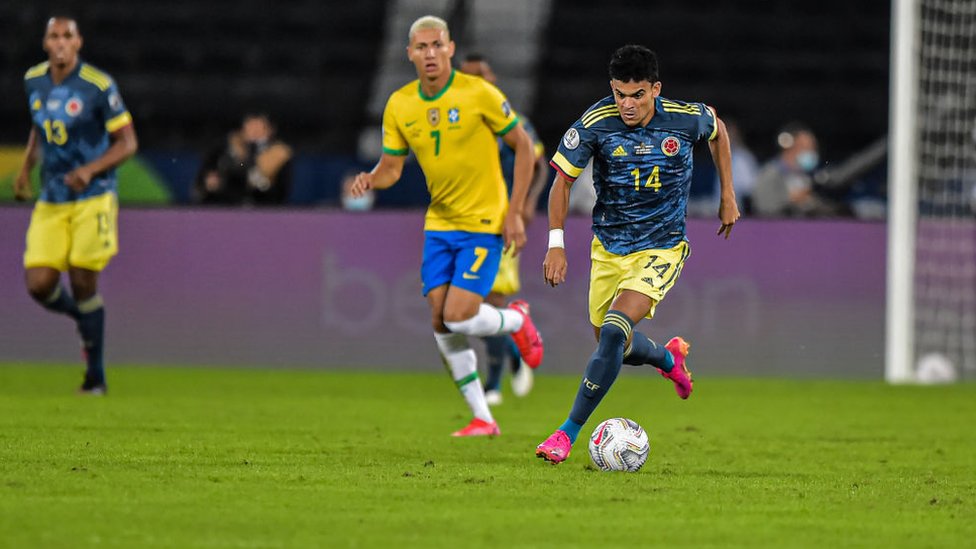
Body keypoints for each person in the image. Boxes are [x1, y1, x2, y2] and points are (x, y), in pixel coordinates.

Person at [535, 45, 739, 464]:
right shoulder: (595, 122)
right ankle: (669, 357)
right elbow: (561, 182)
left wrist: (728, 195)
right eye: (619, 94)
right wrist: (556, 244)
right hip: (609, 249)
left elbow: (718, 130)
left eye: (638, 95)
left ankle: (565, 433)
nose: (627, 105)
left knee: (613, 331)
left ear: (655, 89)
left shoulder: (684, 117)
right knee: (614, 346)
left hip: (662, 245)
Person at [347, 16, 544, 437]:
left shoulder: (479, 94)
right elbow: (392, 169)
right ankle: (483, 418)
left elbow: (524, 146)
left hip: (484, 221)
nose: (430, 53)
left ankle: (515, 321)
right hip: (440, 224)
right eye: (422, 47)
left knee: (457, 315)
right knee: (440, 320)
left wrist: (515, 210)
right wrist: (370, 178)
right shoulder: (401, 104)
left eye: (437, 45)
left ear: (450, 48)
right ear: (411, 54)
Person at [13, 16, 138, 394]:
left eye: (68, 36)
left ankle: (95, 377)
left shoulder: (98, 86)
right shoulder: (33, 79)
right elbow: (40, 124)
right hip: (53, 195)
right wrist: (25, 168)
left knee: (83, 280)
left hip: (93, 195)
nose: (62, 42)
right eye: (55, 36)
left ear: (79, 42)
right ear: (45, 43)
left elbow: (127, 143)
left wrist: (90, 169)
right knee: (39, 283)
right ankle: (81, 318)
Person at [459, 53, 549, 406]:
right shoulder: (461, 125)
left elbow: (540, 166)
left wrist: (526, 203)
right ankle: (515, 345)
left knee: (490, 298)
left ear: (492, 79)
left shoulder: (513, 121)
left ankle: (493, 385)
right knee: (467, 308)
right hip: (468, 220)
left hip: (503, 220)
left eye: (478, 76)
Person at [194, 113, 292, 205]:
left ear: (270, 130)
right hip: (224, 206)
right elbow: (204, 179)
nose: (254, 132)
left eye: (259, 128)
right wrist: (209, 183)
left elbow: (280, 191)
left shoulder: (280, 153)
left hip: (262, 208)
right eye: (250, 126)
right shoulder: (223, 149)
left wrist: (259, 181)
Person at [752, 123, 828, 217]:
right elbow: (764, 208)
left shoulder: (807, 175)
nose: (812, 152)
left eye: (813, 148)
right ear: (788, 147)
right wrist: (791, 199)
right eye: (806, 147)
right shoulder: (770, 174)